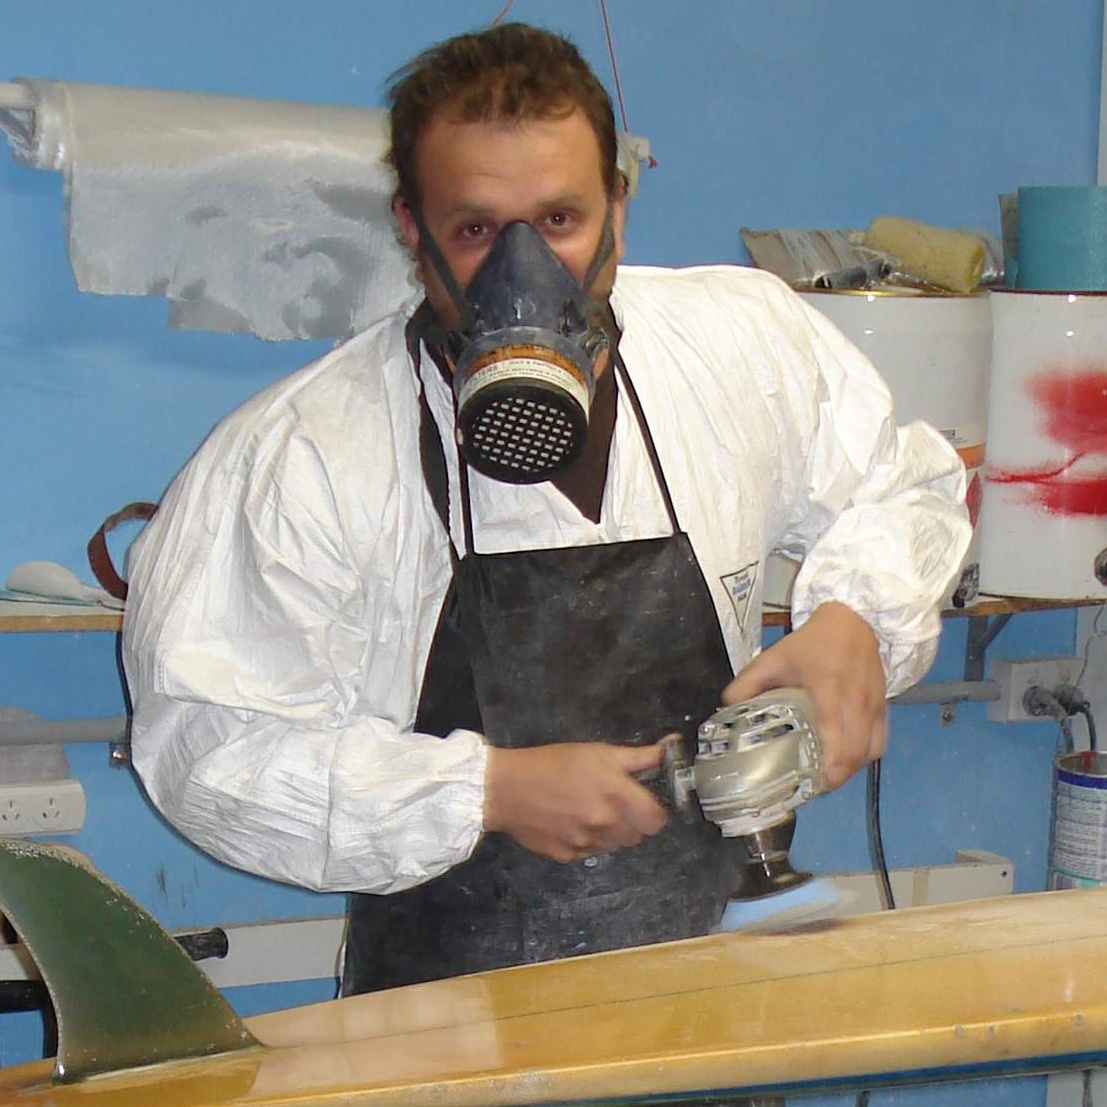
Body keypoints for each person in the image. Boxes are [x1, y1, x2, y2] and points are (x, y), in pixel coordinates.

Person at [121, 22, 970, 994]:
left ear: (619, 203)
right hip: (445, 1028)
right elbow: (209, 752)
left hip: (708, 1000)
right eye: (477, 231)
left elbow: (901, 484)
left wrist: (857, 618)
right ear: (413, 230)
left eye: (560, 221)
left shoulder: (739, 352)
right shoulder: (306, 457)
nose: (524, 272)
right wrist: (483, 791)